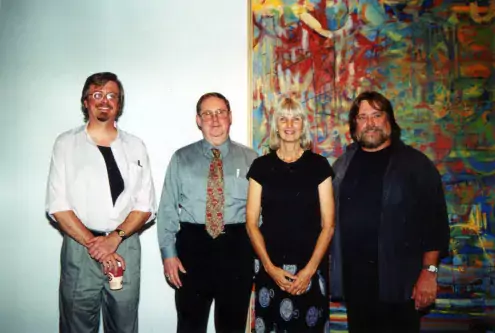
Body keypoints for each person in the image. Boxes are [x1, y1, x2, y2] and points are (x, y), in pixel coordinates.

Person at [330, 91, 450, 332]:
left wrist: (429, 272)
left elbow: (435, 223)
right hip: (356, 286)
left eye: (376, 115)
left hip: (400, 287)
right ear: (354, 126)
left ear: (390, 121)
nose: (370, 123)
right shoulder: (342, 165)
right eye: (362, 117)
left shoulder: (416, 164)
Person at [45, 72, 156, 333]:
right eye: (97, 94)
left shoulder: (136, 146)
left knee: (124, 327)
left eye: (111, 95)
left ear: (119, 103)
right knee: (77, 326)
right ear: (85, 101)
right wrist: (97, 245)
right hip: (80, 249)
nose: (104, 100)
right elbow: (58, 206)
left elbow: (145, 205)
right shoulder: (65, 144)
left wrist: (114, 239)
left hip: (125, 247)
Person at [157, 92, 258, 333]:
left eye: (220, 112)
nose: (215, 119)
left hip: (237, 249)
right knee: (190, 325)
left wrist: (258, 257)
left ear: (230, 117)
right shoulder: (181, 158)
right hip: (193, 250)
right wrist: (168, 255)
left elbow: (260, 213)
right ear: (198, 120)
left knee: (232, 326)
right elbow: (167, 208)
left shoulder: (251, 159)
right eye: (207, 114)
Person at [246, 97, 335, 332]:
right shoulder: (260, 166)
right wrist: (269, 267)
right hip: (270, 268)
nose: (289, 124)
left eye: (296, 118)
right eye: (283, 118)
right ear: (276, 125)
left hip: (311, 268)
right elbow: (251, 223)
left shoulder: (319, 166)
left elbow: (329, 225)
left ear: (303, 125)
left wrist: (309, 271)